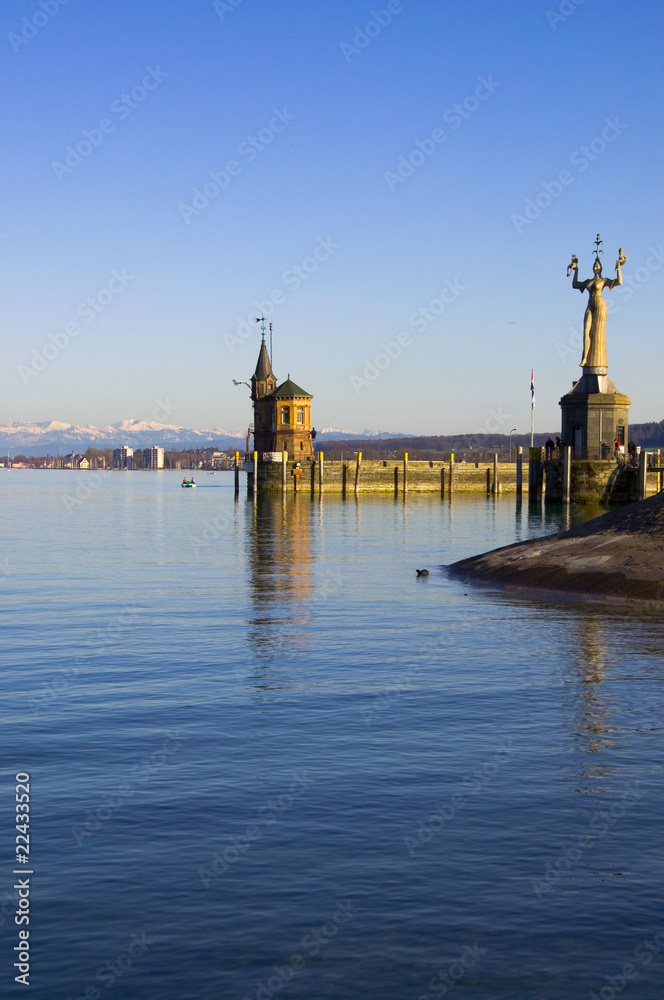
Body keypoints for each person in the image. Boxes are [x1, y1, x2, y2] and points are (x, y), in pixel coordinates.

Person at [568, 244, 625, 369]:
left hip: (600, 304)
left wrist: (619, 267)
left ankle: (596, 361)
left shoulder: (603, 280)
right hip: (590, 304)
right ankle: (585, 358)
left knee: (597, 333)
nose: (595, 266)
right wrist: (576, 270)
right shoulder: (589, 281)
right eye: (594, 265)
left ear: (601, 267)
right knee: (586, 331)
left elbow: (619, 282)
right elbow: (575, 285)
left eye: (597, 265)